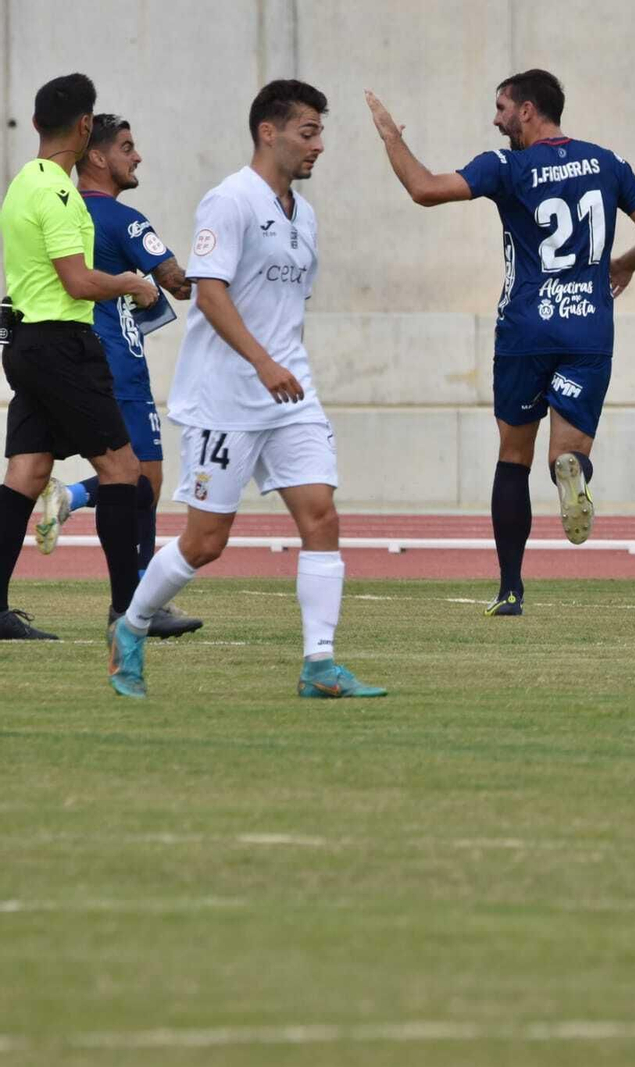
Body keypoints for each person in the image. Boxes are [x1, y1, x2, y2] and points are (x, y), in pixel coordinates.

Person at [107, 80, 385, 699]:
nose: (319, 146)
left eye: (320, 133)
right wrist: (262, 363)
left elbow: (287, 305)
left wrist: (282, 367)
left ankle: (319, 664)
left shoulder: (304, 214)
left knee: (321, 515)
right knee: (206, 542)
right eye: (308, 132)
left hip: (291, 393)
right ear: (269, 131)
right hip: (226, 397)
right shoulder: (228, 201)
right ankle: (130, 627)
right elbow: (210, 292)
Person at [365, 69, 635, 616]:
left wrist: (393, 138)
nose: (496, 119)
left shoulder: (505, 165)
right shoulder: (607, 161)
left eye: (502, 108)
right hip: (587, 327)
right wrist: (622, 264)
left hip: (525, 327)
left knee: (513, 457)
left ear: (528, 110)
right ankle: (574, 470)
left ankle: (510, 589)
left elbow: (424, 189)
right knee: (567, 451)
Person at [31, 113, 203, 638]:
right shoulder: (122, 220)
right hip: (118, 367)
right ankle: (138, 601)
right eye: (127, 147)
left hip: (66, 356)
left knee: (116, 475)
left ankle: (130, 591)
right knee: (143, 481)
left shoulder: (63, 214)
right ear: (99, 157)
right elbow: (180, 283)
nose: (137, 156)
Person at [0, 73, 158, 641]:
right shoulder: (62, 193)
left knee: (27, 472)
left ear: (38, 123)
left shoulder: (23, 182)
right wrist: (131, 284)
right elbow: (77, 281)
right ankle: (128, 612)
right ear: (86, 125)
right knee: (121, 469)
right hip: (62, 344)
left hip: (23, 344)